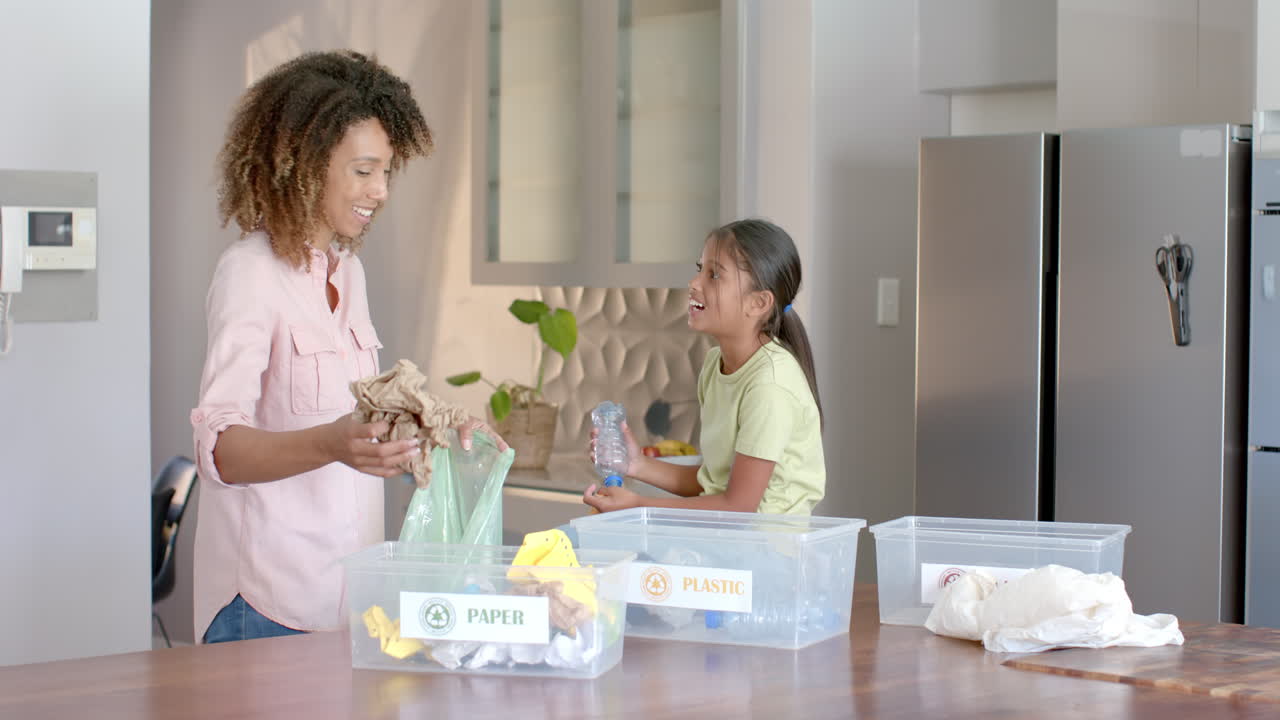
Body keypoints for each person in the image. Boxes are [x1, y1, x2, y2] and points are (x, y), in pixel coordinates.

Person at [190, 50, 503, 643]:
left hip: (348, 598)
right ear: (304, 164)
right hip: (265, 601)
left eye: (387, 171)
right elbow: (220, 450)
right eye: (363, 170)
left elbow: (359, 418)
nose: (380, 190)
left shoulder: (348, 274)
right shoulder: (249, 273)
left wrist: (434, 430)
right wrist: (333, 444)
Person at [582, 218, 826, 516]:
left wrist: (639, 507)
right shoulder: (715, 365)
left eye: (714, 275)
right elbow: (713, 484)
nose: (694, 283)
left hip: (770, 554)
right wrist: (636, 464)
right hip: (727, 543)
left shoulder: (770, 387)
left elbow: (738, 506)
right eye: (700, 270)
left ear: (758, 303)